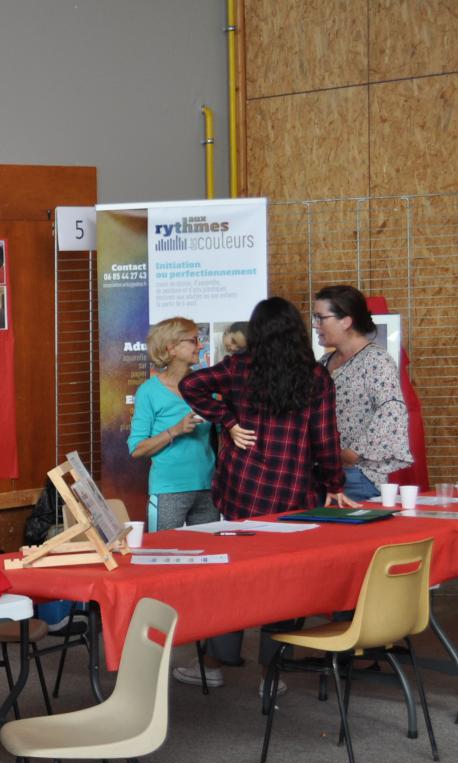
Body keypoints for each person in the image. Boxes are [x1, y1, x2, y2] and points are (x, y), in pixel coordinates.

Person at [179, 297, 356, 692]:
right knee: (285, 585)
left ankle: (213, 663)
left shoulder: (239, 367)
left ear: (256, 332)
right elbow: (325, 440)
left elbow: (191, 385)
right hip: (293, 495)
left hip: (242, 491)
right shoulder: (315, 377)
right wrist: (335, 485)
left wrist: (228, 421)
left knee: (232, 578)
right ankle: (270, 675)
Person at [314, 285, 410, 502]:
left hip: (357, 477)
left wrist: (353, 453)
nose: (315, 324)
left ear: (346, 321)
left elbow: (393, 411)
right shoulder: (323, 363)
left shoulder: (375, 360)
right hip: (324, 475)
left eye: (321, 318)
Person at [129, 317, 215, 532]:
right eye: (194, 340)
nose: (201, 346)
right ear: (172, 348)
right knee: (162, 550)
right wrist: (175, 430)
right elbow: (137, 449)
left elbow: (226, 433)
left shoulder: (207, 386)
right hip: (168, 490)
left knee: (211, 551)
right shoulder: (149, 391)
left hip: (209, 489)